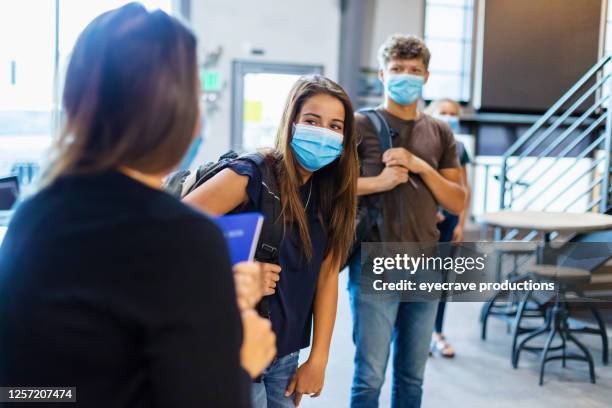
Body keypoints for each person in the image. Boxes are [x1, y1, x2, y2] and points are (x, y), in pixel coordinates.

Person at [0, 4, 275, 407]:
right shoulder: (181, 236)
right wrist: (240, 359)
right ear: (174, 111)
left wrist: (206, 301)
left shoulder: (35, 213)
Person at [184, 75, 358, 407]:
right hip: (235, 346)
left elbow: (327, 276)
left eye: (335, 126)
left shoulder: (331, 194)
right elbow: (167, 234)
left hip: (286, 355)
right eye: (312, 121)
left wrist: (318, 358)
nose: (324, 132)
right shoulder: (250, 175)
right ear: (291, 123)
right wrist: (234, 270)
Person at [349, 34, 466, 407]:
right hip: (376, 260)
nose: (405, 76)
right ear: (383, 74)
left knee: (412, 378)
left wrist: (420, 167)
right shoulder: (360, 124)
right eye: (397, 69)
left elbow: (457, 198)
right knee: (369, 376)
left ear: (426, 77)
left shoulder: (440, 132)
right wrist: (379, 182)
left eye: (414, 70)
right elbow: (330, 189)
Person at [425, 98, 472, 358]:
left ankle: (437, 333)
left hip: (449, 223)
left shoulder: (460, 147)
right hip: (421, 223)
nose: (448, 116)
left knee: (441, 281)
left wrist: (461, 223)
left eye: (453, 113)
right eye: (443, 112)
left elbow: (464, 189)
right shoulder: (419, 144)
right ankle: (416, 335)